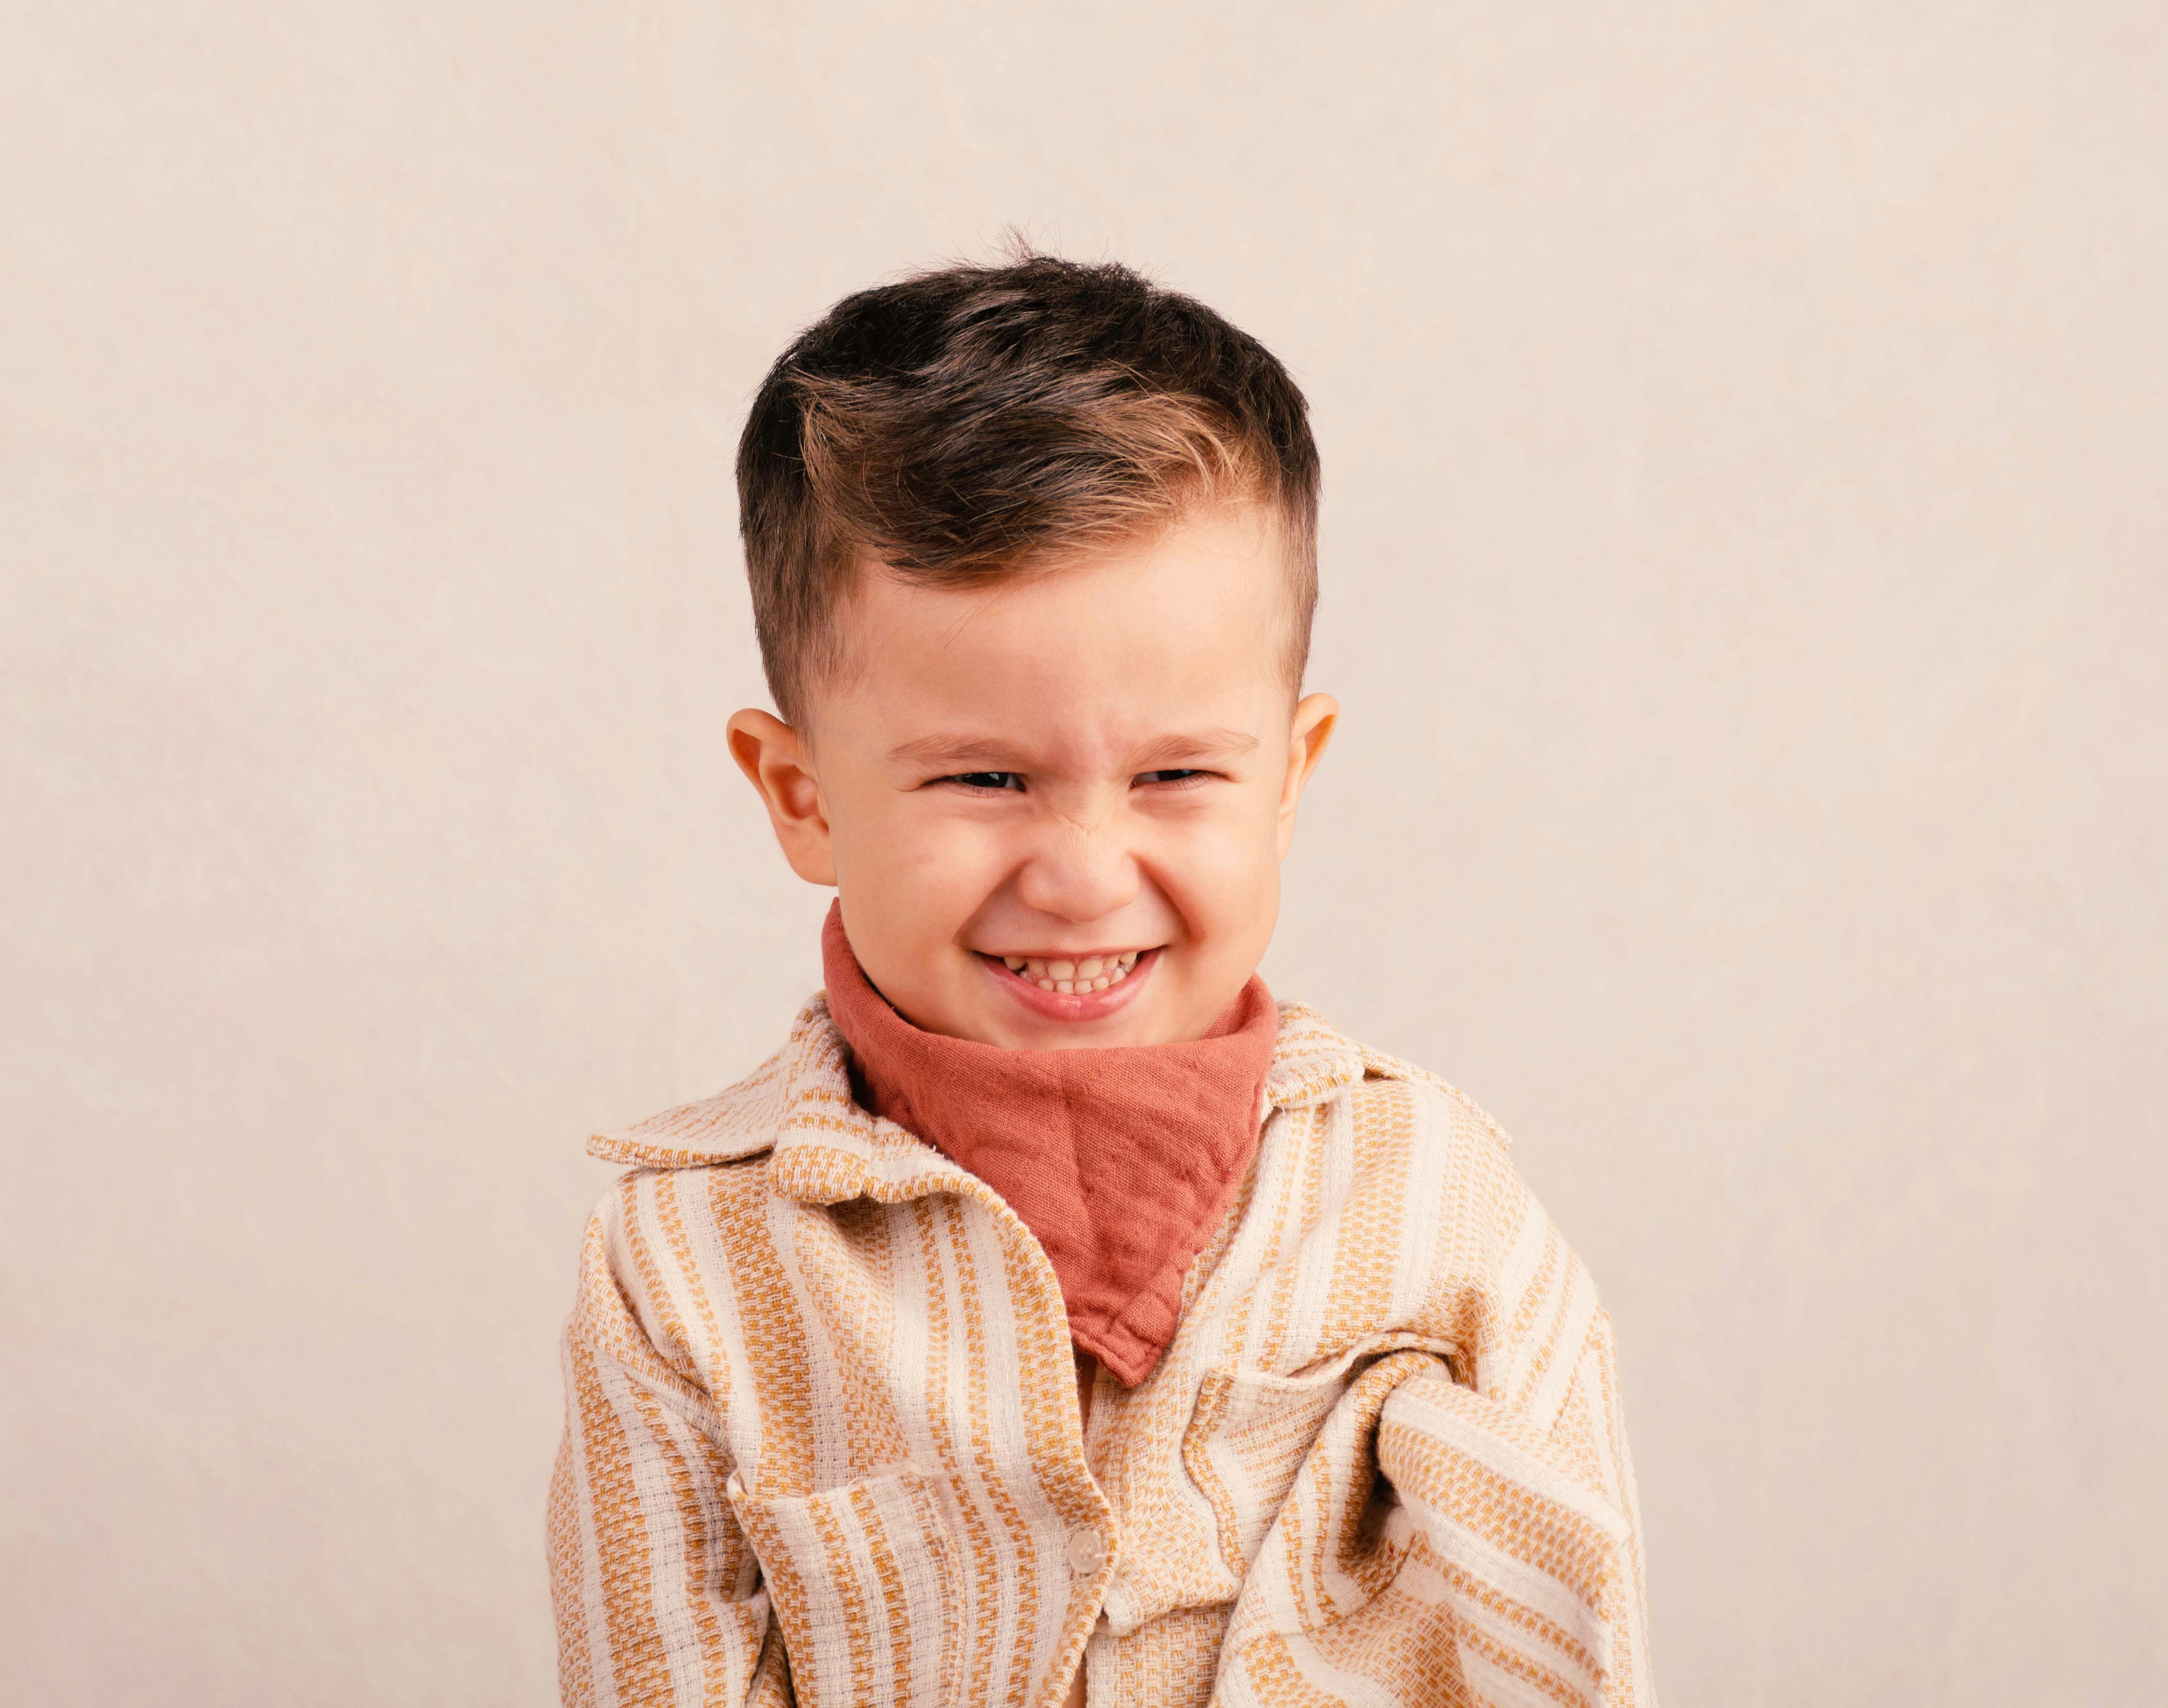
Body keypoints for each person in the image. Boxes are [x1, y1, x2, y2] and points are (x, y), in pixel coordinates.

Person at [547, 249, 1656, 1708]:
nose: (1079, 872)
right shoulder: (682, 1273)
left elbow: (1573, 1658)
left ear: (1289, 779)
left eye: (1177, 774)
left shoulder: (1445, 1218)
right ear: (802, 794)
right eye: (985, 776)